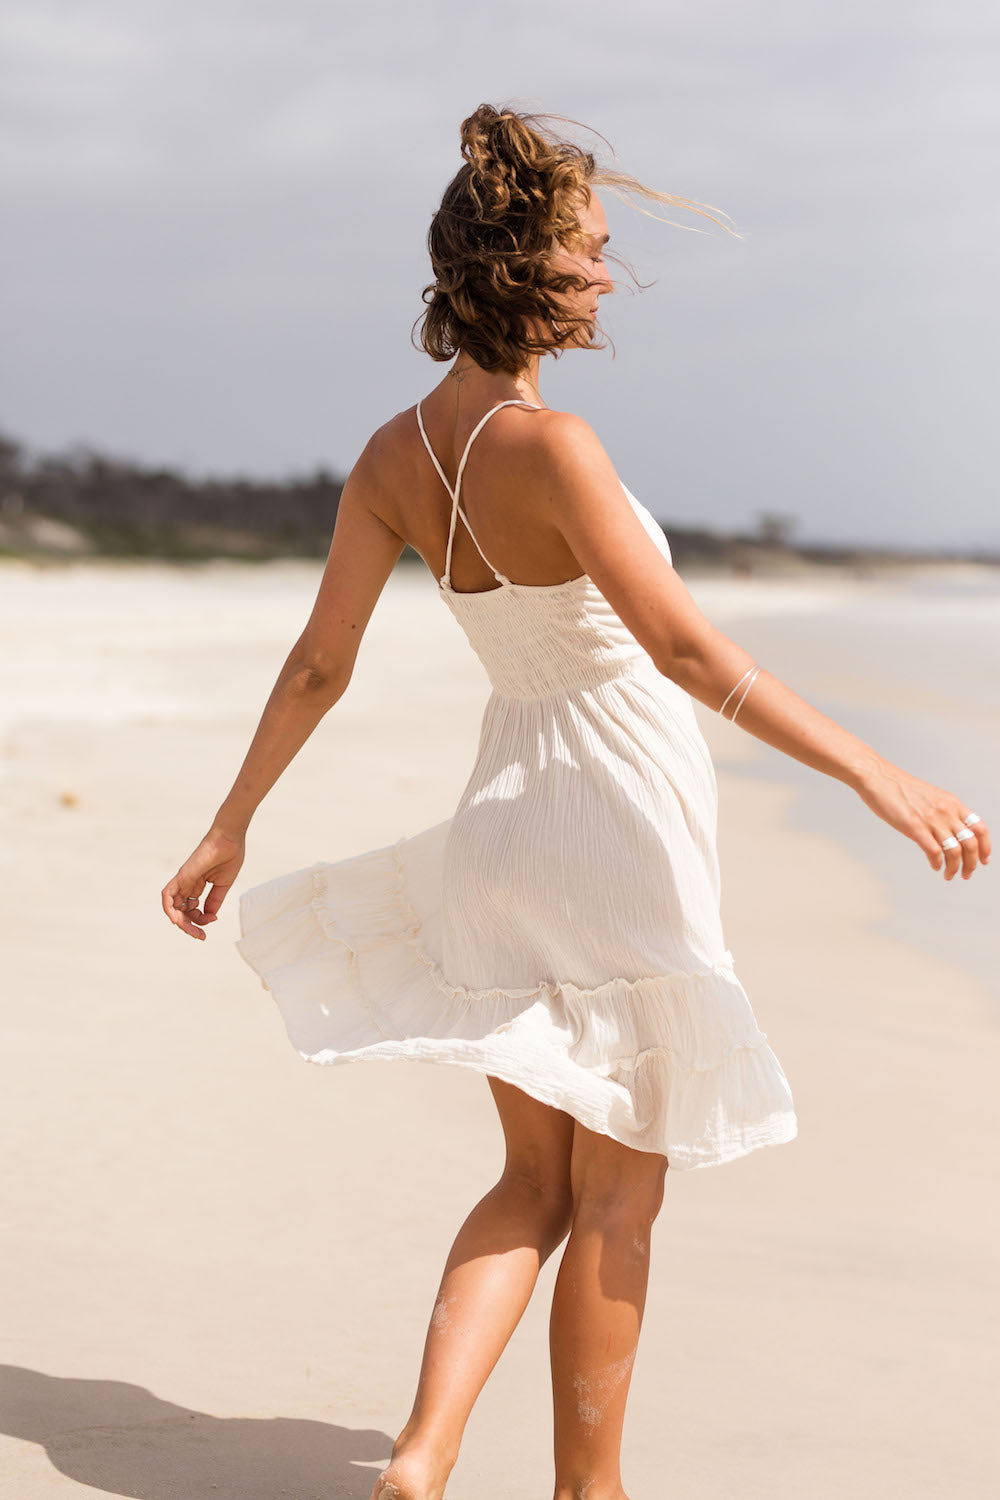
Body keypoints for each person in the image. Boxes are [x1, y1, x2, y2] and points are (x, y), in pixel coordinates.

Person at [161, 104, 990, 1500]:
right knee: (620, 1191)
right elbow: (681, 652)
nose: (608, 277)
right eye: (589, 252)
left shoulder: (391, 455)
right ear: (521, 266)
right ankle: (586, 1491)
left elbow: (321, 662)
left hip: (503, 825)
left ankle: (422, 1458)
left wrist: (232, 816)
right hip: (612, 821)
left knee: (531, 1182)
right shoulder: (559, 447)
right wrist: (875, 770)